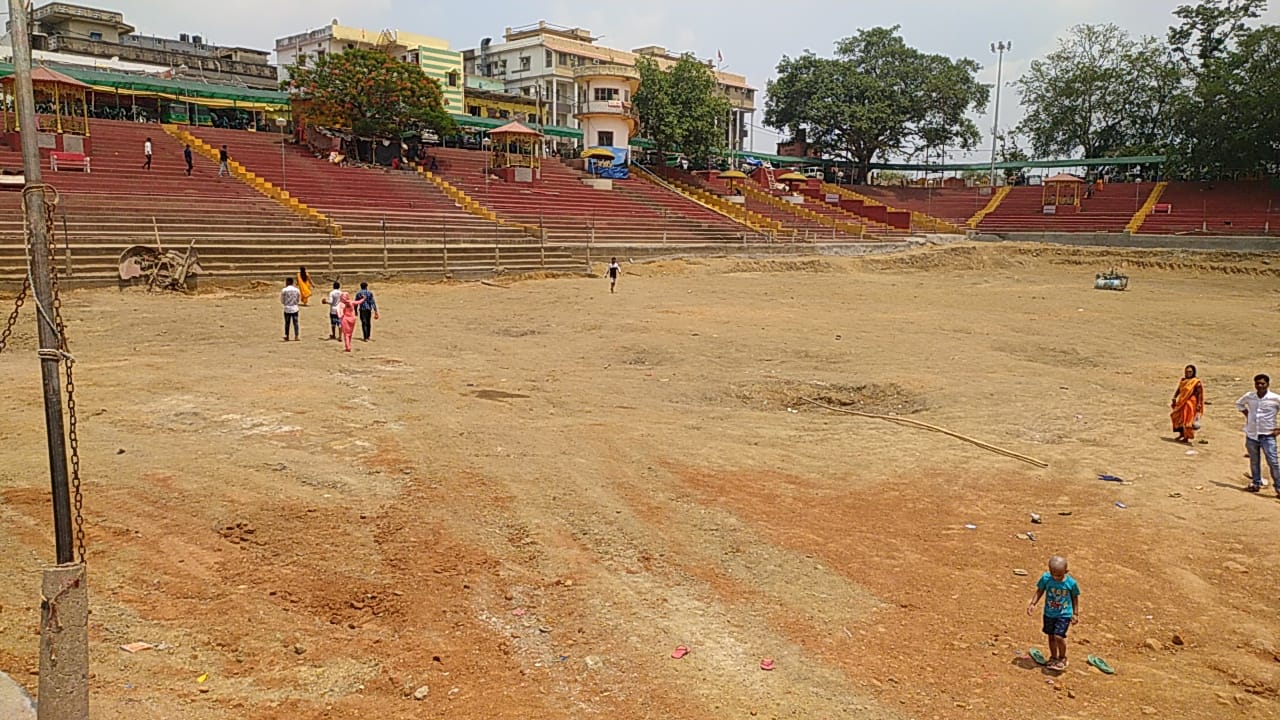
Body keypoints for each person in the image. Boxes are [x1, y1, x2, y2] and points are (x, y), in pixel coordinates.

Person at [1026, 555, 1080, 672]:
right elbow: (1040, 590)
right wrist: (1033, 603)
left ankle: (1062, 658)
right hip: (1049, 613)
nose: (1055, 577)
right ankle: (1053, 657)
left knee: (1059, 636)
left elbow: (1075, 597)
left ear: (1066, 571)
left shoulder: (1071, 583)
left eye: (1059, 575)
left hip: (1064, 613)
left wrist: (1075, 613)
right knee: (1050, 636)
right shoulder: (1046, 579)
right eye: (1053, 574)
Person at [1236, 374, 1280, 496]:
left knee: (1273, 461)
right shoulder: (1250, 396)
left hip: (1268, 435)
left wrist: (1279, 430)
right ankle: (1256, 482)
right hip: (1252, 434)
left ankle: (1278, 486)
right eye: (1257, 383)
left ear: (1268, 384)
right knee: (1254, 461)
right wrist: (1248, 415)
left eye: (1262, 383)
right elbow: (1239, 404)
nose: (1260, 386)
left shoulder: (1275, 398)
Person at [1170, 364, 1204, 442]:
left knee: (1187, 420)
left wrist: (1199, 404)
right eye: (1187, 371)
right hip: (1181, 402)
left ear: (1193, 372)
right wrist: (1175, 397)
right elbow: (1178, 389)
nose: (1188, 373)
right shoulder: (1183, 380)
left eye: (1190, 372)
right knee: (1176, 417)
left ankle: (1186, 437)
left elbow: (1199, 394)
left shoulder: (1196, 382)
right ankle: (1181, 434)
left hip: (1190, 403)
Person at [280, 277, 301, 341]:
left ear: (288, 282)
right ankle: (296, 335)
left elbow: (282, 300)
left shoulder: (284, 290)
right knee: (296, 323)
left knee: (287, 323)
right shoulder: (297, 290)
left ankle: (287, 336)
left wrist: (286, 303)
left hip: (287, 308)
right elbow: (298, 299)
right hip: (295, 308)